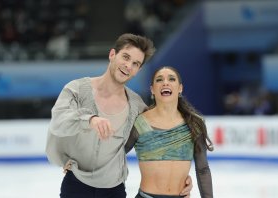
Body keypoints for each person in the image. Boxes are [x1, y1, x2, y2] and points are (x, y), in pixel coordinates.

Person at [45, 33, 193, 198]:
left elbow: (158, 141)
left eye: (135, 63)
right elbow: (58, 120)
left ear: (138, 70)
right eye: (126, 57)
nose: (128, 65)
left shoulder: (137, 106)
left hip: (113, 189)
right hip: (76, 185)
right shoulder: (77, 89)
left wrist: (179, 179)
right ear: (112, 55)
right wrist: (90, 119)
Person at [125, 66, 214, 198]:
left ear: (180, 88)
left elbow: (202, 170)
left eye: (171, 79)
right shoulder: (140, 123)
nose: (165, 82)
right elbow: (116, 157)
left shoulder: (194, 124)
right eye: (159, 80)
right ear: (152, 90)